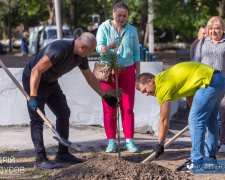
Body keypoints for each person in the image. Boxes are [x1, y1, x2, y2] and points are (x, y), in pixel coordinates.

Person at [22, 32, 118, 170]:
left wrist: (105, 96)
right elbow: (36, 70)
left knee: (64, 113)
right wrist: (33, 95)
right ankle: (40, 160)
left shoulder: (80, 57)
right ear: (82, 47)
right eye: (90, 51)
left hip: (51, 82)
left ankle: (62, 153)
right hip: (34, 81)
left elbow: (90, 77)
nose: (90, 54)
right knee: (37, 120)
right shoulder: (58, 49)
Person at [135, 62, 225, 172]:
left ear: (150, 81)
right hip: (218, 79)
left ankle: (196, 162)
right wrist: (197, 117)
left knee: (195, 120)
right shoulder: (167, 77)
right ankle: (210, 159)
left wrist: (160, 143)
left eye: (145, 90)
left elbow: (164, 119)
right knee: (211, 121)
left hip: (209, 82)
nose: (146, 94)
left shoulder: (162, 85)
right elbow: (189, 93)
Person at [96, 2, 140, 153]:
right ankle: (111, 141)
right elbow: (98, 46)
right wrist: (107, 48)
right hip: (108, 70)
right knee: (110, 107)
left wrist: (137, 73)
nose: (121, 18)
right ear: (113, 14)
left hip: (127, 69)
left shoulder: (132, 30)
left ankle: (129, 140)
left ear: (128, 16)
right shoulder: (104, 27)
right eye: (119, 15)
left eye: (125, 15)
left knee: (127, 107)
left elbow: (136, 53)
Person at [192, 16, 225, 153]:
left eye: (217, 28)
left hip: (222, 83)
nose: (213, 31)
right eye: (210, 28)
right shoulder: (202, 43)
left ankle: (223, 142)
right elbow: (196, 61)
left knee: (222, 113)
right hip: (205, 84)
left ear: (222, 29)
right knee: (209, 116)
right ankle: (210, 149)